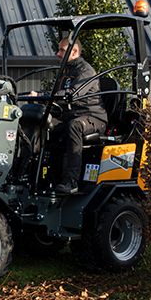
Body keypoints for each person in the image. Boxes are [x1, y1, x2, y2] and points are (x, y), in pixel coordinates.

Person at [46, 37, 108, 194]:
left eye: (61, 50)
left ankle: (71, 182)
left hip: (92, 117)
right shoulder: (66, 71)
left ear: (73, 52)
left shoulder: (85, 71)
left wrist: (45, 96)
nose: (57, 53)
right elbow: (56, 94)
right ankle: (47, 177)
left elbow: (72, 94)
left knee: (74, 126)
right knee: (45, 123)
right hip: (71, 114)